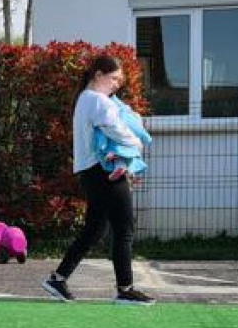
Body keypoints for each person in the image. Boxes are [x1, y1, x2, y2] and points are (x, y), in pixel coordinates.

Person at [42, 54, 155, 305]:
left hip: (90, 172)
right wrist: (137, 142)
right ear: (99, 75)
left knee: (94, 230)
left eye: (119, 80)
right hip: (104, 172)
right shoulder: (97, 101)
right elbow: (116, 128)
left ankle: (58, 279)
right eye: (114, 78)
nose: (117, 84)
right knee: (124, 229)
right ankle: (125, 289)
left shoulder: (85, 98)